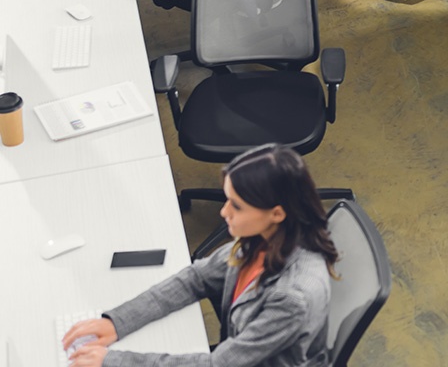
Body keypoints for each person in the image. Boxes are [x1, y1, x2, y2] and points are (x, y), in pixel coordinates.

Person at [62, 144, 338, 367]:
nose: (224, 212)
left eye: (237, 206)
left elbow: (220, 364)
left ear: (277, 213)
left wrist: (115, 362)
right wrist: (117, 322)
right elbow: (195, 278)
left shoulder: (292, 296)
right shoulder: (261, 238)